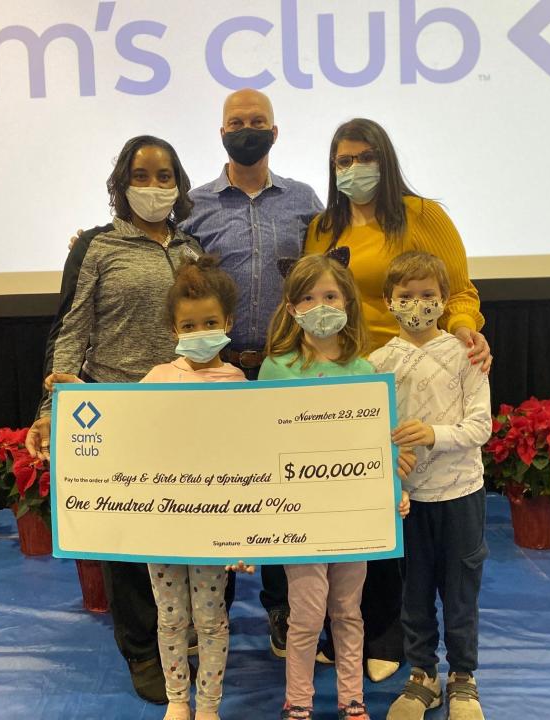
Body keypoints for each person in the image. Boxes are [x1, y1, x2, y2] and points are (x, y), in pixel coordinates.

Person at [304, 117, 492, 681]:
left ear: (384, 160)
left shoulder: (422, 215)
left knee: (396, 505)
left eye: (364, 157)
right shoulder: (322, 226)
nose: (353, 169)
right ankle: (345, 629)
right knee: (352, 504)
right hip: (348, 380)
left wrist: (463, 330)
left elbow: (458, 288)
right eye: (342, 160)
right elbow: (314, 292)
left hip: (418, 383)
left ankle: (388, 638)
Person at [26, 135, 203, 704]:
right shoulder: (98, 247)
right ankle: (143, 649)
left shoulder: (192, 250)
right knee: (130, 535)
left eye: (165, 175)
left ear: (179, 183)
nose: (154, 187)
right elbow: (71, 328)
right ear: (121, 183)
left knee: (186, 520)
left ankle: (184, 634)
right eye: (142, 175)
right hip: (117, 405)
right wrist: (53, 406)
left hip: (184, 407)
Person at [180, 88, 323, 660]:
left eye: (256, 121)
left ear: (275, 130)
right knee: (218, 491)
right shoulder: (192, 206)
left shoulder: (306, 200)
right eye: (236, 122)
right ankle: (207, 614)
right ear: (220, 133)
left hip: (287, 370)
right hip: (216, 373)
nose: (247, 129)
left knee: (282, 492)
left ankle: (280, 609)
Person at [369, 251, 491, 720]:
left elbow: (481, 426)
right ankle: (422, 675)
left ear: (443, 300)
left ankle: (463, 677)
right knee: (413, 591)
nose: (416, 304)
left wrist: (435, 435)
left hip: (461, 494)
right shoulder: (378, 363)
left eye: (427, 295)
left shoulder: (467, 353)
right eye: (405, 296)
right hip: (408, 500)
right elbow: (371, 430)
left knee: (460, 588)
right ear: (388, 302)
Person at [258, 251, 373, 720]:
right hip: (298, 516)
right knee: (304, 616)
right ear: (291, 308)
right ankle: (299, 703)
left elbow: (375, 447)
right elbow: (261, 446)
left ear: (347, 301)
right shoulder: (275, 368)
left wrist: (392, 492)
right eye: (307, 298)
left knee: (348, 611)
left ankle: (352, 700)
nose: (319, 305)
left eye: (329, 296)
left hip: (350, 516)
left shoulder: (365, 371)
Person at [141, 254, 246, 720]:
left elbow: (250, 459)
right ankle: (177, 700)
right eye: (189, 325)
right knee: (170, 617)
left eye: (209, 322)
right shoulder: (156, 379)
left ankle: (209, 705)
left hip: (213, 526)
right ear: (172, 330)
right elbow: (125, 436)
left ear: (228, 322)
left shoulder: (241, 383)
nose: (200, 331)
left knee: (209, 618)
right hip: (163, 523)